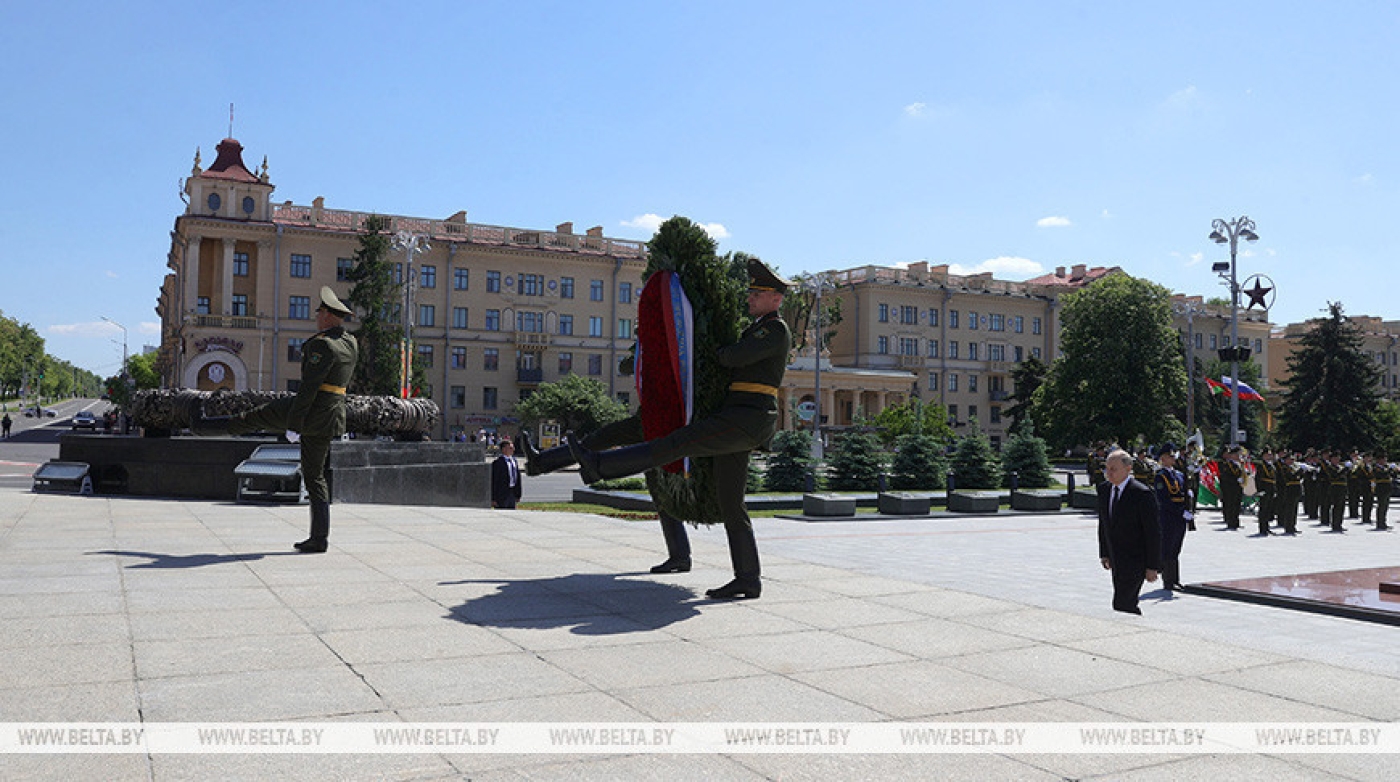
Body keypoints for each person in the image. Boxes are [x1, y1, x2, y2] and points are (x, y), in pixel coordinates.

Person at [566, 258, 792, 600]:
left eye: (757, 293)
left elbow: (733, 358)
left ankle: (599, 465)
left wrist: (706, 347)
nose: (750, 297)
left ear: (775, 298)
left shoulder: (774, 329)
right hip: (740, 416)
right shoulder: (758, 326)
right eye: (751, 292)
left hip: (747, 418)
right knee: (732, 504)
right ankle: (748, 578)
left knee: (676, 443)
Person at [191, 286, 359, 553]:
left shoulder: (322, 344)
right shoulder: (350, 342)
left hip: (309, 410)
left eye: (319, 312)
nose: (316, 317)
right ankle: (319, 538)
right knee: (315, 476)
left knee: (255, 417)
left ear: (327, 314)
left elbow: (309, 387)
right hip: (331, 415)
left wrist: (294, 423)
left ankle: (202, 426)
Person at [520, 419, 692, 574]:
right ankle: (540, 461)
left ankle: (680, 556)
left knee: (663, 493)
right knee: (605, 438)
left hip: (672, 429)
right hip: (658, 424)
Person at [1097, 448, 1161, 614]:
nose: (1108, 473)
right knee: (1124, 602)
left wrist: (1152, 566)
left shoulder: (1141, 494)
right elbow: (1104, 525)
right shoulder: (1104, 490)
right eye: (1107, 468)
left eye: (1113, 469)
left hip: (1135, 560)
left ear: (1128, 469)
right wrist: (1104, 553)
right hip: (1115, 558)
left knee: (1123, 603)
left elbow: (1153, 532)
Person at [1153, 444, 1191, 591]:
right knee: (1168, 549)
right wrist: (1179, 512)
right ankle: (1168, 581)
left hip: (1180, 517)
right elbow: (1163, 500)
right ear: (1163, 459)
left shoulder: (1179, 475)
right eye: (1170, 456)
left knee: (1176, 549)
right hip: (1168, 517)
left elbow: (1182, 494)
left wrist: (1188, 504)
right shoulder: (1160, 476)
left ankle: (1175, 579)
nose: (1173, 458)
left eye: (1173, 455)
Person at [1216, 446, 1245, 530]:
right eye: (1237, 454)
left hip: (1238, 487)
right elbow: (1226, 477)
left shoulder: (1239, 464)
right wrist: (1237, 479)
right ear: (1232, 455)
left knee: (1237, 504)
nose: (1239, 456)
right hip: (1230, 488)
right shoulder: (1227, 464)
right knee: (1231, 504)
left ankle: (1236, 521)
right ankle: (1231, 522)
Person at [491, 439, 523, 509]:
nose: (513, 449)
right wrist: (493, 498)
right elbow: (494, 481)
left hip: (512, 493)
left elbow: (518, 478)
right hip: (502, 494)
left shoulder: (514, 461)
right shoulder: (498, 463)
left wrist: (518, 495)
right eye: (510, 448)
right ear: (504, 449)